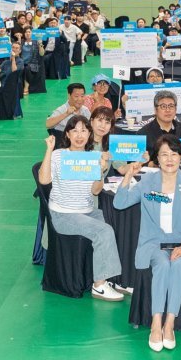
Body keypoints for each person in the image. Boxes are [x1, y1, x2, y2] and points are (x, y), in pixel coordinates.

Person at [113, 136, 181, 351]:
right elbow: (120, 203)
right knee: (162, 264)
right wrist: (128, 176)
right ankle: (156, 323)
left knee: (180, 264)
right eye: (164, 154)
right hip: (154, 242)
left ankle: (169, 323)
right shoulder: (148, 182)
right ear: (157, 159)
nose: (169, 159)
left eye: (174, 154)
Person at [37, 118, 124, 301]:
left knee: (113, 226)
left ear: (89, 134)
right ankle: (99, 286)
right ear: (67, 134)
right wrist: (48, 151)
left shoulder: (92, 157)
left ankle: (108, 277)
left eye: (84, 131)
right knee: (104, 231)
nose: (79, 135)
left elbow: (95, 191)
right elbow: (44, 180)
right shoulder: (59, 155)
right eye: (74, 131)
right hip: (63, 214)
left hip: (86, 211)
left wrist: (100, 170)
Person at [138, 91, 181, 168]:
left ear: (176, 109)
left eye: (171, 106)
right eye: (163, 106)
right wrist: (150, 164)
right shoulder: (143, 133)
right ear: (155, 110)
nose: (168, 110)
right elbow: (137, 162)